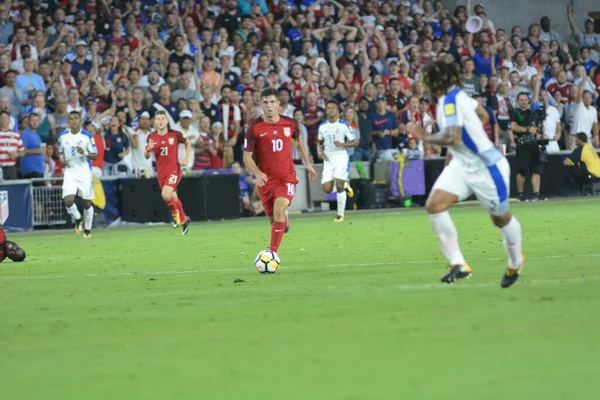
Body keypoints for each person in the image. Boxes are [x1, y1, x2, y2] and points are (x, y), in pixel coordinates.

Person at [407, 60, 525, 289]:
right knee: (435, 205)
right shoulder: (458, 96)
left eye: (428, 81)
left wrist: (422, 135)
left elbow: (453, 137)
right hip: (462, 164)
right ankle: (458, 264)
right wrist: (462, 148)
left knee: (500, 218)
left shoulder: (449, 102)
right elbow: (482, 115)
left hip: (487, 168)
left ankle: (516, 261)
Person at [243, 87, 317, 256]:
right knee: (273, 219)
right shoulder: (254, 127)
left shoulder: (290, 123)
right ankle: (284, 221)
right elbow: (247, 157)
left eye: (272, 102)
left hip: (286, 177)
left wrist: (308, 164)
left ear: (278, 104)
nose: (269, 106)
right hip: (265, 180)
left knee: (278, 209)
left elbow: (298, 143)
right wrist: (258, 172)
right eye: (265, 102)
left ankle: (272, 253)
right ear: (261, 104)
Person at [144, 110, 192, 235]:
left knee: (165, 195)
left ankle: (174, 215)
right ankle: (184, 219)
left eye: (162, 118)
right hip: (161, 172)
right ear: (155, 122)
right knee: (173, 197)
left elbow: (188, 143)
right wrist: (148, 150)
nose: (160, 121)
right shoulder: (151, 137)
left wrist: (186, 158)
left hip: (174, 170)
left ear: (166, 121)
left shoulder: (175, 134)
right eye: (158, 119)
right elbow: (146, 156)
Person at [58, 111, 98, 239]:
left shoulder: (87, 136)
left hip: (84, 173)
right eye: (71, 119)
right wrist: (62, 159)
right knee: (68, 200)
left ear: (80, 120)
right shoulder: (63, 136)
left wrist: (85, 152)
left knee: (87, 203)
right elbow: (60, 152)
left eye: (76, 118)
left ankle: (88, 228)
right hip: (70, 172)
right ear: (68, 121)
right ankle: (78, 218)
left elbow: (95, 155)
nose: (74, 121)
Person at [317, 100, 358, 222]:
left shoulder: (344, 125)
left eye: (333, 108)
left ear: (338, 111)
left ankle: (340, 215)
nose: (330, 110)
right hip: (328, 160)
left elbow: (355, 141)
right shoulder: (322, 126)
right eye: (328, 108)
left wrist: (342, 144)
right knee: (327, 189)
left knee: (338, 186)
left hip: (341, 157)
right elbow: (319, 142)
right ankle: (345, 184)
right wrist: (320, 151)